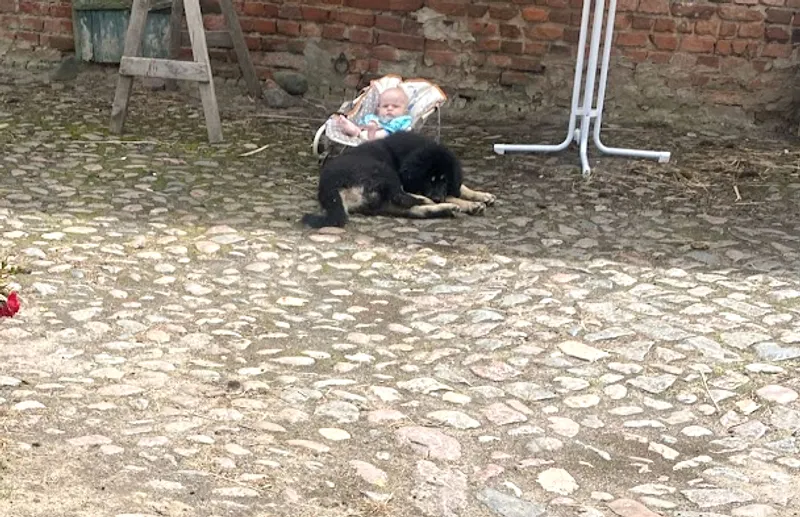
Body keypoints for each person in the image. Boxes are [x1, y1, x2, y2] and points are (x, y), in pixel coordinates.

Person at [335, 87, 414, 140]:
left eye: (395, 106)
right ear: (378, 109)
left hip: (388, 137)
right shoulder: (374, 118)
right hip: (366, 133)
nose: (389, 109)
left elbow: (402, 131)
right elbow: (363, 123)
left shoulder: (403, 119)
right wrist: (367, 125)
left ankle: (368, 134)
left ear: (404, 111)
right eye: (385, 106)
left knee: (385, 133)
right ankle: (352, 129)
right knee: (362, 128)